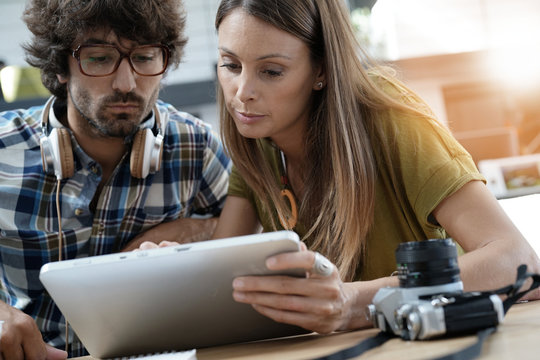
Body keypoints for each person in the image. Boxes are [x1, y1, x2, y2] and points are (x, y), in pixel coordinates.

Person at [208, 0, 540, 336]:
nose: (243, 92)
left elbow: (516, 259)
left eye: (271, 71)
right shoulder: (257, 148)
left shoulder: (390, 116)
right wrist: (160, 259)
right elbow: (215, 287)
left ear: (321, 69)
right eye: (230, 65)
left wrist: (352, 302)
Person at [0, 0, 230, 358]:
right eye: (99, 58)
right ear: (61, 65)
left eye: (145, 57)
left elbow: (252, 229)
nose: (127, 83)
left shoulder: (195, 145)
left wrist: (184, 232)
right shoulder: (3, 151)